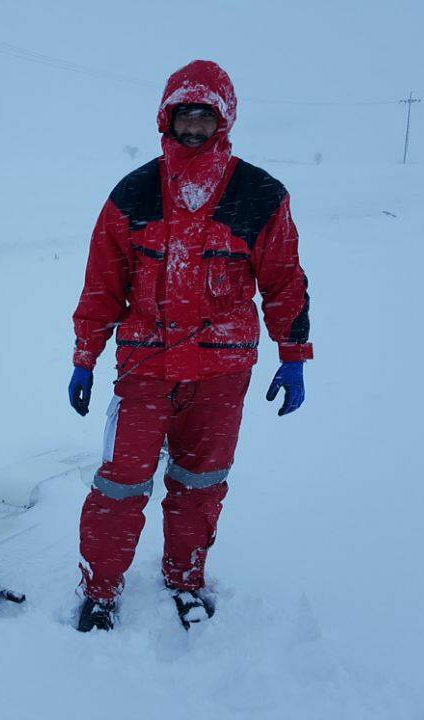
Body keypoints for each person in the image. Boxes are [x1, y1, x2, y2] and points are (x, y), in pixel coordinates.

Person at [67, 59, 313, 632]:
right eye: (186, 115)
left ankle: (185, 579)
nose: (195, 127)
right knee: (119, 484)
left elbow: (284, 280)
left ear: (224, 120)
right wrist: (85, 356)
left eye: (206, 116)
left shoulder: (259, 194)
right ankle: (100, 589)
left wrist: (293, 355)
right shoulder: (133, 193)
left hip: (221, 374)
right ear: (167, 117)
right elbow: (102, 283)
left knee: (199, 484)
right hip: (145, 371)